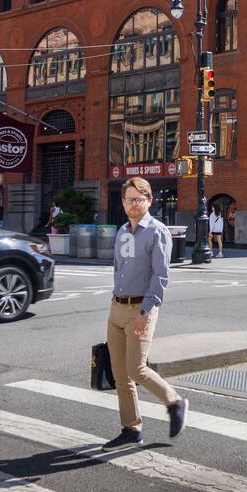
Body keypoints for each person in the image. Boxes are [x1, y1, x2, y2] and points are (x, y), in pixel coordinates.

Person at [102, 176, 189, 449]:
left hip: (141, 308)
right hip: (117, 308)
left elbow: (161, 277)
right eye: (129, 199)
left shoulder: (157, 231)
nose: (133, 204)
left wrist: (145, 311)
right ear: (123, 201)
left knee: (137, 369)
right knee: (120, 376)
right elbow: (120, 267)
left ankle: (174, 402)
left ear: (149, 200)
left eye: (139, 199)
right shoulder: (122, 231)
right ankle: (131, 428)